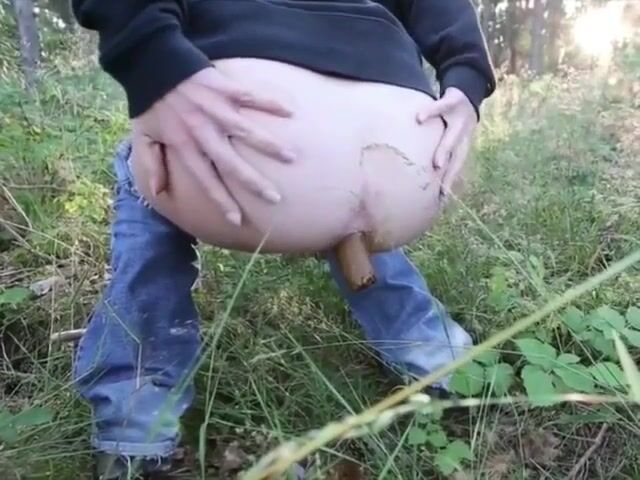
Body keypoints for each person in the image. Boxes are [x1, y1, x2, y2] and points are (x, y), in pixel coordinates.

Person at [70, 1, 496, 478]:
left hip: (249, 136)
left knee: (144, 174)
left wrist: (153, 62)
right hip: (408, 150)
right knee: (363, 236)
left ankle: (135, 426)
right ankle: (445, 362)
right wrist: (466, 78)